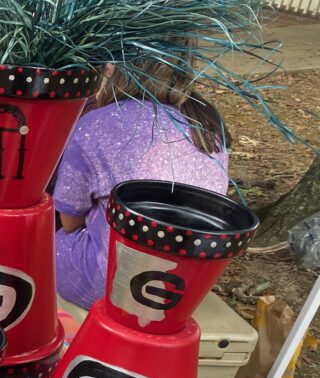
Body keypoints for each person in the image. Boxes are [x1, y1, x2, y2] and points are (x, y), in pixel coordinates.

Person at [55, 61, 230, 309]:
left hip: (109, 284)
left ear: (116, 67)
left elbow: (70, 222)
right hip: (182, 286)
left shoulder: (97, 123)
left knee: (46, 234)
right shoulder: (209, 126)